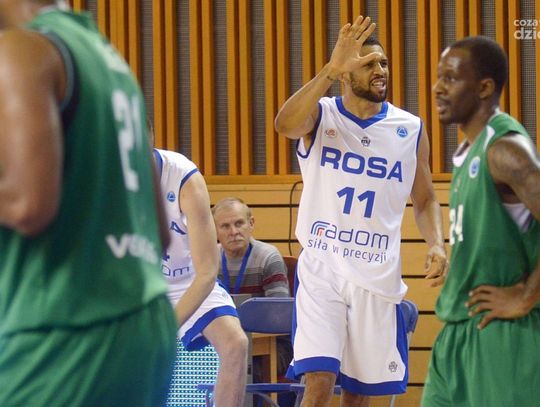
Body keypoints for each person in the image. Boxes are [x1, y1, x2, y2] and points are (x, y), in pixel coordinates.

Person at [0, 1, 178, 406]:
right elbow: (158, 229)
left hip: (64, 331)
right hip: (145, 324)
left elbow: (28, 205)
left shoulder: (22, 50)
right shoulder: (107, 58)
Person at [274, 15, 448, 406]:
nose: (380, 70)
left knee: (359, 394)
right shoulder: (321, 114)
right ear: (346, 74)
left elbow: (425, 198)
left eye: (383, 63)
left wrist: (437, 243)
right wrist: (329, 70)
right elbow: (284, 125)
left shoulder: (409, 128)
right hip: (323, 268)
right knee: (319, 380)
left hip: (376, 274)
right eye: (368, 64)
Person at [422, 36, 540, 407]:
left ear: (485, 88)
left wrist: (527, 295)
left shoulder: (506, 149)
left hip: (501, 335)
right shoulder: (469, 152)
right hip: (455, 335)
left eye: (450, 78)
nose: (437, 88)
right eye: (439, 77)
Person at [152, 147, 248, 407]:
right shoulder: (103, 175)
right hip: (139, 285)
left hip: (189, 280)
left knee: (235, 344)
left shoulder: (183, 176)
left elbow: (206, 272)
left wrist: (164, 330)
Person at [212, 197, 290, 298]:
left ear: (251, 223)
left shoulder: (268, 258)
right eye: (225, 226)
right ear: (214, 230)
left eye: (239, 223)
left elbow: (278, 306)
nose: (234, 232)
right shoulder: (208, 260)